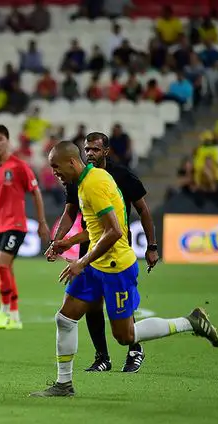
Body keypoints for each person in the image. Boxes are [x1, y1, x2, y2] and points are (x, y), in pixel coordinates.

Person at [33, 142, 218, 397]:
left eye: (56, 166)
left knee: (125, 336)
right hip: (96, 263)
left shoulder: (94, 185)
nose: (54, 172)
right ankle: (64, 384)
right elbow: (97, 230)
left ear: (72, 162)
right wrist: (68, 242)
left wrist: (81, 261)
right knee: (65, 319)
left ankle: (190, 322)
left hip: (115, 267)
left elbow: (114, 232)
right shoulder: (87, 181)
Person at [46, 132, 159, 373]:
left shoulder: (114, 177)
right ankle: (100, 358)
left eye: (95, 150)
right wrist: (60, 241)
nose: (90, 154)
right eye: (87, 149)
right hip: (92, 250)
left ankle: (135, 348)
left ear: (106, 151)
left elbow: (134, 217)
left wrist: (152, 245)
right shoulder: (78, 180)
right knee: (83, 310)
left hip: (114, 254)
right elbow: (72, 214)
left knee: (123, 327)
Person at [0, 125, 50, 330]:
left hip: (16, 224)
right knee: (5, 269)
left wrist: (41, 222)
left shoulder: (19, 166)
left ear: (8, 140)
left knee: (0, 263)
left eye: (0, 139)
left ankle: (4, 311)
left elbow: (36, 192)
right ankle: (15, 316)